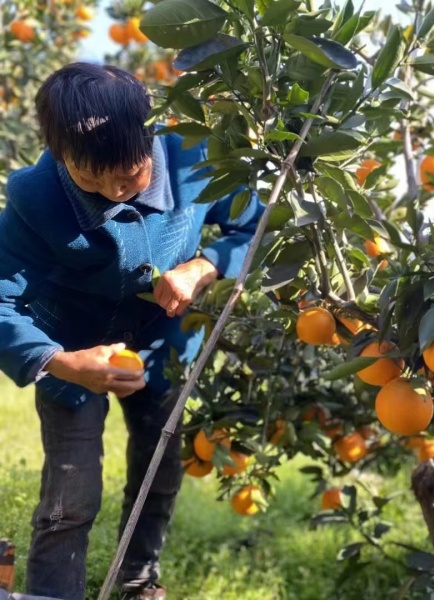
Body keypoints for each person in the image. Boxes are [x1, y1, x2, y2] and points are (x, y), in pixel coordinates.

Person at [0, 63, 263, 600]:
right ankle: (53, 594)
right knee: (70, 491)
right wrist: (55, 360)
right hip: (73, 345)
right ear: (58, 152)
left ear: (152, 140)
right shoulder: (34, 196)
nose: (114, 191)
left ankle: (137, 579)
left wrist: (205, 264)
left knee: (158, 467)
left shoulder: (196, 158)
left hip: (163, 340)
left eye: (130, 174)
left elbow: (254, 225)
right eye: (91, 177)